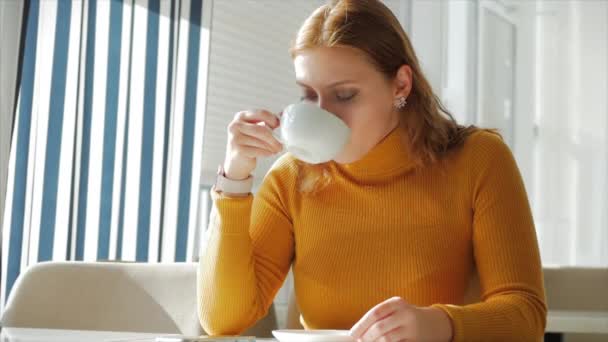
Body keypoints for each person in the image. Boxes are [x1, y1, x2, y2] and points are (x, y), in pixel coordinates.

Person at [198, 1, 547, 341]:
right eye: (308, 95)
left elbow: (525, 316)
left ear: (400, 86)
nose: (323, 115)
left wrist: (438, 324)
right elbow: (223, 321)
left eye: (345, 95)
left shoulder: (478, 159)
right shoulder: (292, 176)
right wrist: (234, 180)